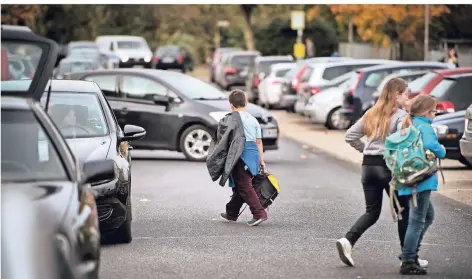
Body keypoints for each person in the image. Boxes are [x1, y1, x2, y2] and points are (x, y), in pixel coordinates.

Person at [336, 78, 428, 268]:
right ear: (397, 95)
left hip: (367, 167)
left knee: (371, 212)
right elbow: (407, 144)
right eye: (406, 93)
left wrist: (366, 150)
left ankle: (347, 241)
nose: (408, 96)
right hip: (388, 168)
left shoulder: (371, 113)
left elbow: (350, 135)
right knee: (403, 211)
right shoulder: (402, 117)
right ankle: (408, 257)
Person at [397, 95, 446, 275]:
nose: (436, 114)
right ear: (427, 112)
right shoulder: (425, 126)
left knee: (428, 216)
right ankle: (408, 260)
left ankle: (408, 252)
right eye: (435, 111)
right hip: (421, 178)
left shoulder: (406, 123)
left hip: (407, 176)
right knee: (417, 220)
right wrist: (443, 151)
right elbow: (431, 144)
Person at [206, 89, 267, 226]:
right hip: (253, 153)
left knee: (244, 185)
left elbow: (222, 141)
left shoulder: (229, 119)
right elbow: (259, 142)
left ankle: (259, 213)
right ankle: (231, 212)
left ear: (230, 104)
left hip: (240, 154)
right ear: (246, 102)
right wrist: (261, 160)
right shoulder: (253, 119)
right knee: (241, 184)